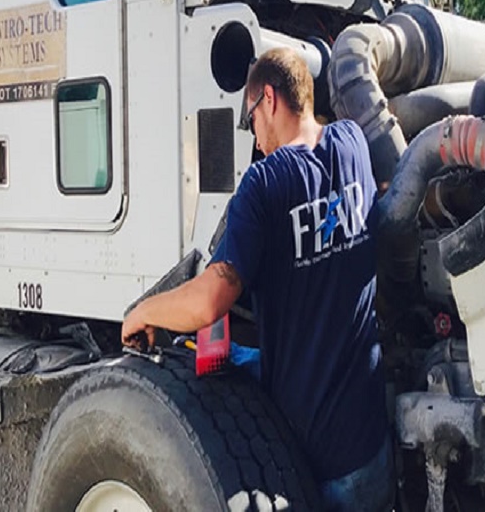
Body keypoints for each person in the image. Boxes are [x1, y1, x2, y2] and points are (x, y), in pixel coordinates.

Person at [121, 47, 394, 511]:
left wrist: (142, 311)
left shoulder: (264, 183)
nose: (254, 140)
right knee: (234, 357)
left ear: (268, 99)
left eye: (250, 122)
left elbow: (210, 301)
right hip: (371, 443)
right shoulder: (352, 142)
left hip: (318, 461)